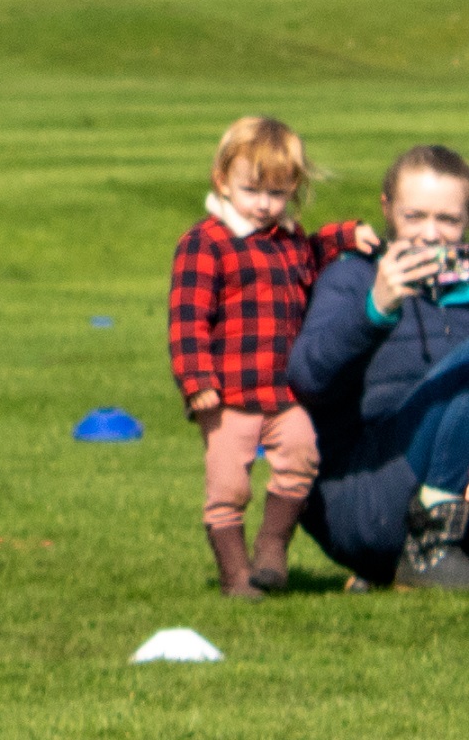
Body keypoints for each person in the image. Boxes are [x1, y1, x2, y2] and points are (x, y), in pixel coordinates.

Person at [167, 115, 364, 598]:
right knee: (228, 487)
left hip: (282, 391)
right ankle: (236, 575)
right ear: (222, 180)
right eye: (252, 190)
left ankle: (273, 549)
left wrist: (346, 235)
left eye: (277, 194)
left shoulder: (289, 240)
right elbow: (187, 320)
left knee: (301, 456)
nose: (264, 204)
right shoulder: (206, 243)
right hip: (227, 395)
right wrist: (197, 382)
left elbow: (314, 254)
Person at [285, 144, 469, 590]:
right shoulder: (351, 278)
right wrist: (376, 309)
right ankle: (426, 551)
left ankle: (402, 565)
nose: (430, 234)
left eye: (447, 220)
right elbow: (307, 378)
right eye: (415, 216)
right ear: (386, 209)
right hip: (359, 492)